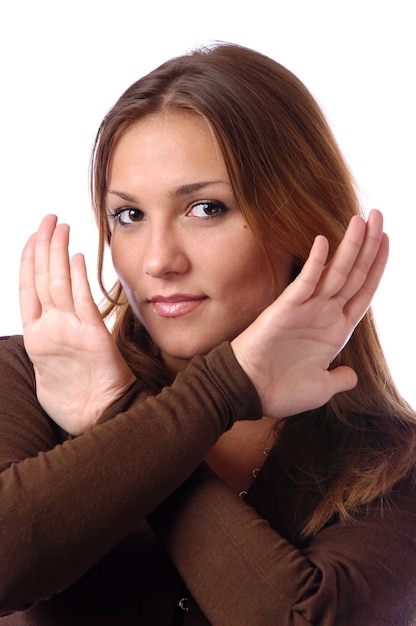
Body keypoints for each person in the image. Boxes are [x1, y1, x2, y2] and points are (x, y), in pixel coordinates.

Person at [0, 42, 414, 626]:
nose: (157, 261)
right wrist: (220, 394)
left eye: (205, 209)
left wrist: (125, 410)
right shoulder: (31, 376)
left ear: (299, 220)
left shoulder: (391, 462)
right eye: (129, 216)